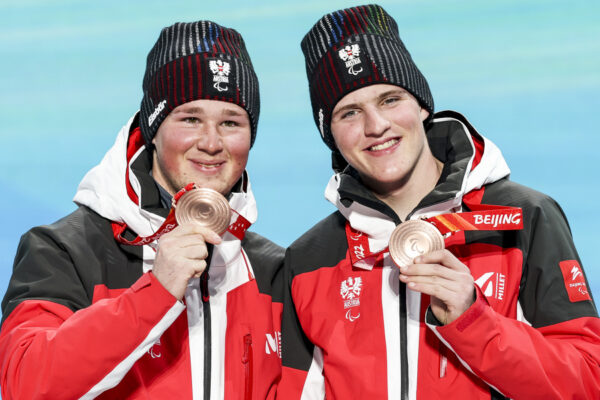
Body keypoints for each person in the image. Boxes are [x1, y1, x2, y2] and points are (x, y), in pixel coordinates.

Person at [279, 4, 600, 399]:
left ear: (421, 104)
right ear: (331, 136)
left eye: (390, 99)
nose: (376, 126)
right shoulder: (309, 258)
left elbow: (588, 381)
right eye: (349, 113)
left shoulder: (523, 217)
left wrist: (473, 321)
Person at [0, 21, 283, 399]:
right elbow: (24, 382)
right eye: (190, 119)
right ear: (153, 127)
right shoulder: (64, 250)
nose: (212, 143)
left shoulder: (272, 269)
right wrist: (157, 292)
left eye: (231, 122)